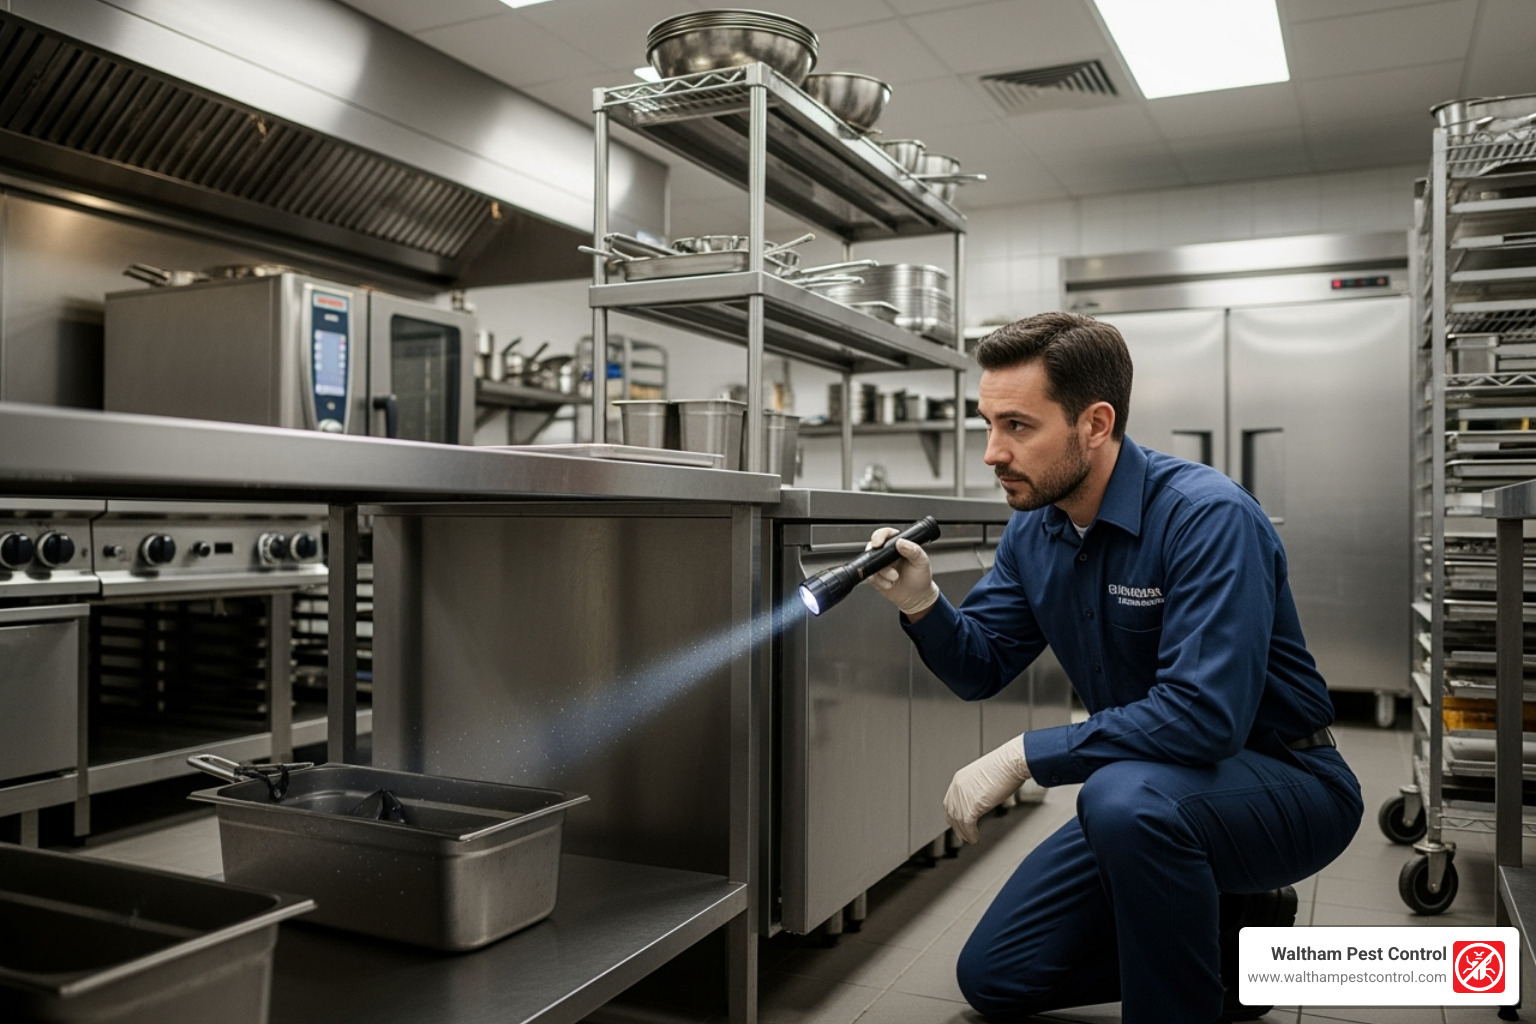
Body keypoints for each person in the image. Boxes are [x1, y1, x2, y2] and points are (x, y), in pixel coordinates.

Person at [865, 312, 1363, 1024]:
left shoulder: (1207, 517)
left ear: (1094, 424)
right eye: (987, 425)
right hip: (1157, 790)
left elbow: (1203, 718)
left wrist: (1023, 755)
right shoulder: (1036, 531)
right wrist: (923, 605)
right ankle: (1234, 948)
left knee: (1118, 798)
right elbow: (981, 666)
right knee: (998, 974)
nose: (992, 453)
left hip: (1288, 781)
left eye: (1018, 427)